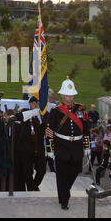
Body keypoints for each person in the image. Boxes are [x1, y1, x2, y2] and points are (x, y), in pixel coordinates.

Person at [45, 77, 91, 210]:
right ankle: (64, 199)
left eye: (71, 95)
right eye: (66, 95)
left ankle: (64, 193)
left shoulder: (81, 109)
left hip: (76, 146)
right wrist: (50, 148)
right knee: (61, 174)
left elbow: (86, 128)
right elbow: (50, 131)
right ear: (62, 95)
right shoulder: (56, 111)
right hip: (61, 145)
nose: (69, 98)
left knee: (75, 170)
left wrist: (87, 146)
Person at [11, 96, 44, 191]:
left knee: (41, 171)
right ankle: (30, 188)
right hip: (26, 148)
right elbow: (18, 116)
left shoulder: (43, 115)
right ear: (30, 104)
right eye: (34, 104)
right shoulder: (26, 112)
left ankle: (34, 186)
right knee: (27, 172)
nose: (36, 106)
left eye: (38, 104)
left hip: (39, 148)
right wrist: (33, 113)